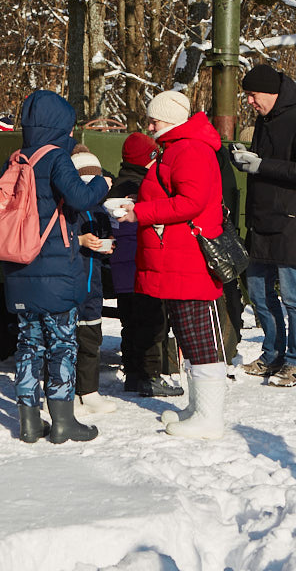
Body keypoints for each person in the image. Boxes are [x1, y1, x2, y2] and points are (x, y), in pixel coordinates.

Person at [118, 90, 228, 439]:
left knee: (199, 336)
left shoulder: (190, 148)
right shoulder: (178, 147)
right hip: (178, 256)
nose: (150, 127)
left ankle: (210, 417)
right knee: (189, 335)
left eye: (155, 120)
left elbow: (191, 202)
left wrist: (141, 212)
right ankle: (198, 409)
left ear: (174, 119)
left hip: (189, 257)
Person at [2, 90, 108, 444]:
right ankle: (63, 422)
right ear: (61, 123)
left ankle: (29, 423)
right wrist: (100, 183)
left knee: (29, 344)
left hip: (20, 265)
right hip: (57, 270)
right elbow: (79, 198)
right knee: (62, 343)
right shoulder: (56, 158)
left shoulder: (16, 159)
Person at [230, 64, 296, 388]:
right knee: (258, 293)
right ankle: (272, 354)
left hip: (291, 223)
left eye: (253, 96)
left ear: (270, 92)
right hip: (261, 220)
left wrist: (262, 164)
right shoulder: (262, 121)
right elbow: (265, 165)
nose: (250, 102)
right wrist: (247, 158)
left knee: (294, 297)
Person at [112, 132, 184, 397]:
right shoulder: (147, 186)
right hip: (143, 263)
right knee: (153, 323)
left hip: (120, 268)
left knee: (130, 323)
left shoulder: (115, 186)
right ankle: (151, 375)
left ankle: (132, 374)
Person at [69, 149, 117, 415]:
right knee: (66, 344)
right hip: (71, 286)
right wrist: (81, 241)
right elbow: (57, 240)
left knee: (91, 341)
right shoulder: (68, 210)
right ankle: (68, 393)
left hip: (93, 286)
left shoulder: (99, 210)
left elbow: (106, 237)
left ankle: (89, 391)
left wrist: (109, 246)